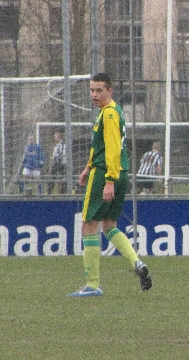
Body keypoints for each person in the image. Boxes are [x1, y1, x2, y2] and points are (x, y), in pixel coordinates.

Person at [67, 73, 152, 297]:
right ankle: (137, 263)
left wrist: (108, 180)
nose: (94, 94)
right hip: (117, 172)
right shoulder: (109, 112)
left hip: (107, 173)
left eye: (99, 90)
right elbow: (102, 146)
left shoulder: (110, 114)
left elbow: (113, 148)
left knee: (88, 226)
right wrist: (87, 167)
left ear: (110, 91)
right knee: (109, 225)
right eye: (92, 90)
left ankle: (93, 285)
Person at [47, 130, 66, 194]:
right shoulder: (57, 145)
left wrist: (55, 158)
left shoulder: (63, 144)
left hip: (61, 164)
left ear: (59, 137)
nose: (54, 138)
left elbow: (62, 154)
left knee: (61, 179)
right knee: (51, 178)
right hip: (57, 164)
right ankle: (49, 192)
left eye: (55, 136)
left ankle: (61, 192)